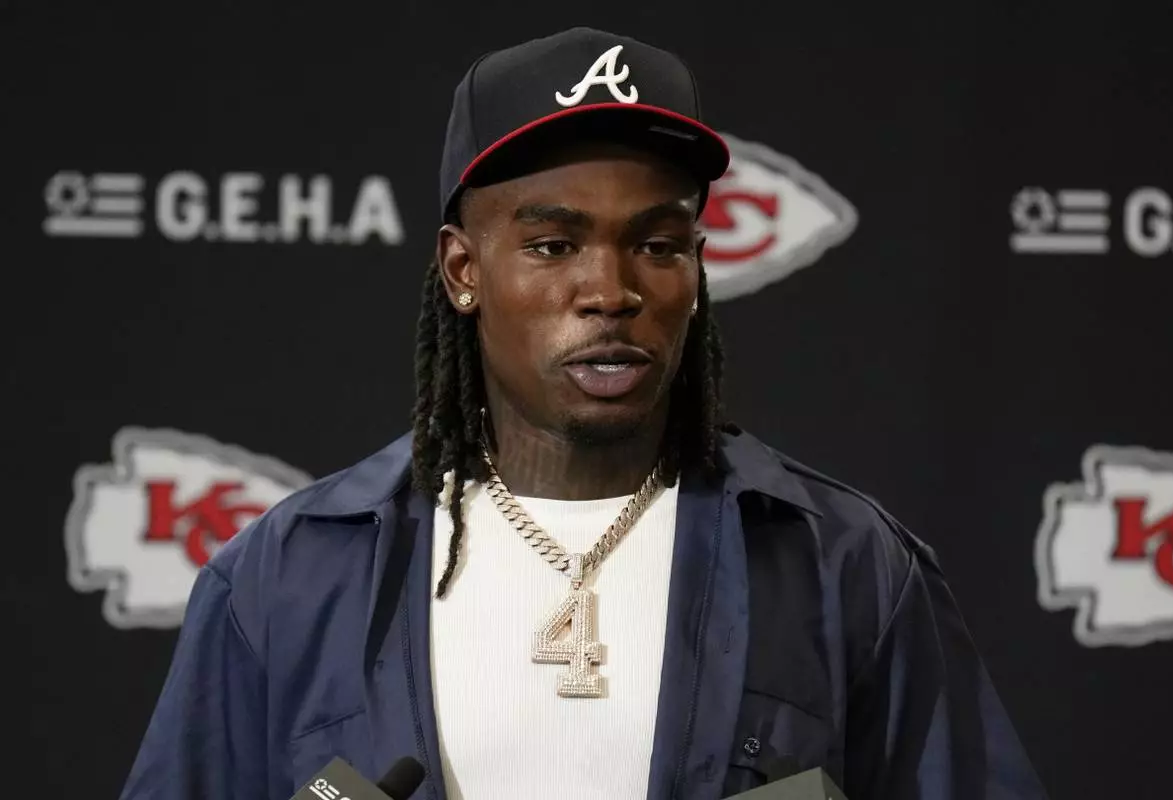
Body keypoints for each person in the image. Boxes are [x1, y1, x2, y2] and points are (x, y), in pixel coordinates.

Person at [120, 27, 1048, 800]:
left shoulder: (840, 563)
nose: (610, 290)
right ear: (463, 270)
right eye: (554, 244)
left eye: (658, 244)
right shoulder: (291, 574)